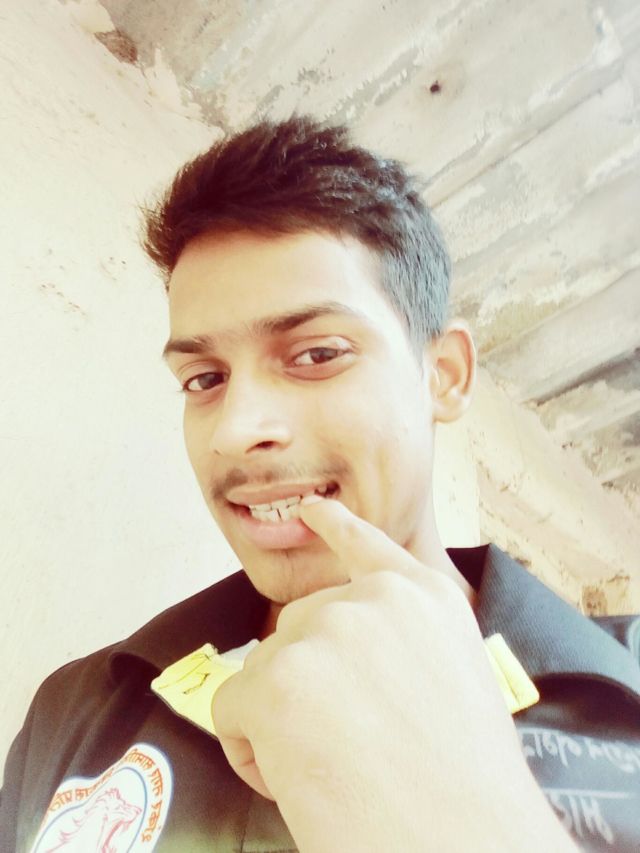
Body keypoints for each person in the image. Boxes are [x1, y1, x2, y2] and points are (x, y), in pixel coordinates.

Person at [1, 116, 638, 853]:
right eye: (204, 378)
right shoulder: (77, 711)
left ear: (444, 376)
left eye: (315, 354)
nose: (236, 429)